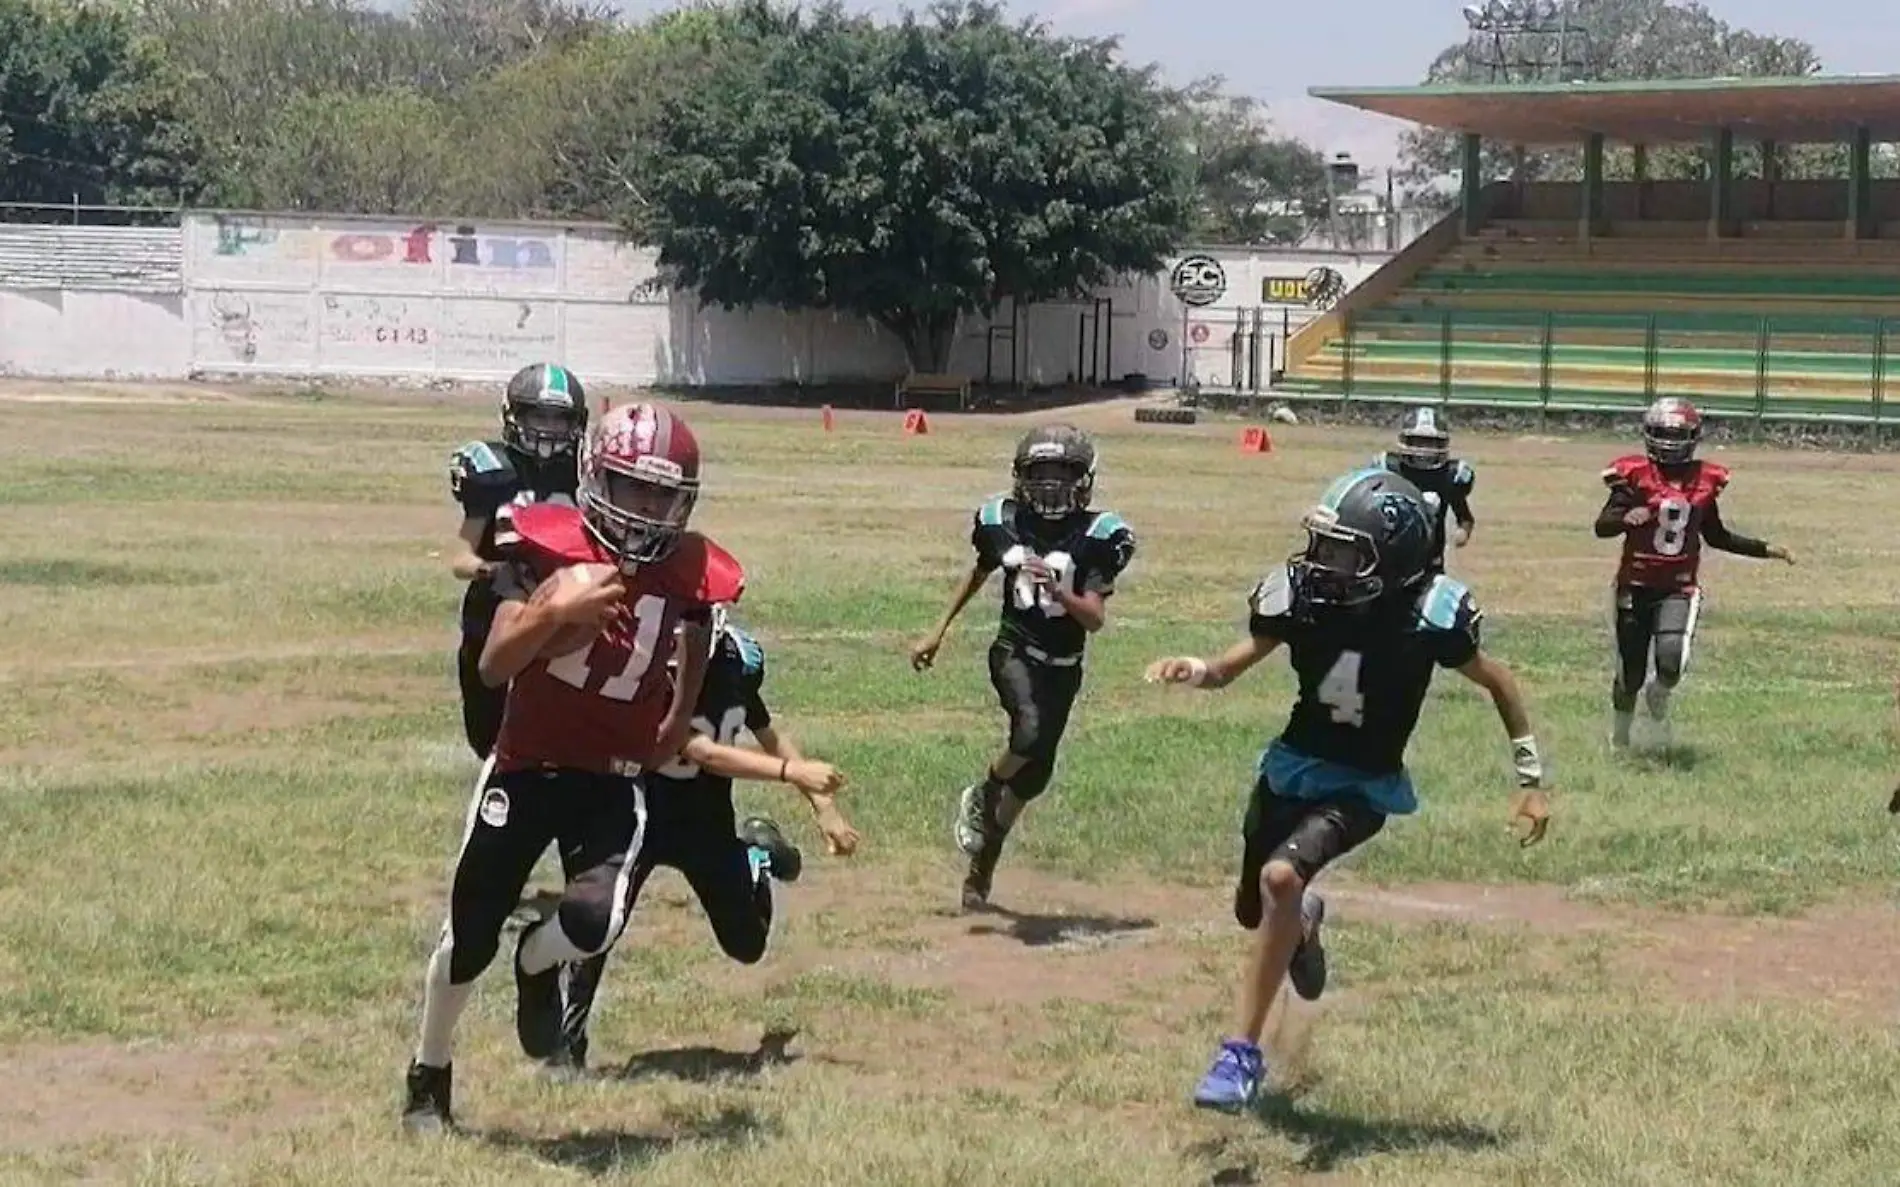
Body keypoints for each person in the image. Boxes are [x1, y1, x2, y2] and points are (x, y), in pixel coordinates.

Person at [1144, 466, 1552, 1112]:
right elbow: (1229, 665)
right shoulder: (1301, 600)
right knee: (1255, 909)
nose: (1321, 563)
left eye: (1342, 551)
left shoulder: (1428, 616)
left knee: (1281, 878)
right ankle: (1301, 924)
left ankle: (1239, 1055)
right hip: (1288, 766)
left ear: (1390, 561)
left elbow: (1498, 681)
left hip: (1363, 785)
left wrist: (1532, 779)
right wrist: (1194, 668)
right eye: (1323, 545)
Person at [402, 401, 744, 1135]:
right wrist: (555, 613)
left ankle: (537, 961)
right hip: (526, 765)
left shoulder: (692, 571)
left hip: (611, 775)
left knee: (594, 922)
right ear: (595, 479)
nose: (648, 508)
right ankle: (430, 1073)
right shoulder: (539, 547)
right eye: (632, 486)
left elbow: (693, 636)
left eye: (663, 492)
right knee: (467, 937)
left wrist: (676, 720)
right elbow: (495, 666)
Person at [548, 610, 862, 1071]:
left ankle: (756, 857)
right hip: (637, 811)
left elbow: (768, 731)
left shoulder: (735, 662)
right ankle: (565, 1046)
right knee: (599, 919)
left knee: (747, 945)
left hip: (705, 821)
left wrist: (824, 807)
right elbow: (699, 751)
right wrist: (792, 773)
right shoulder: (643, 664)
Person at [909, 424, 1136, 911]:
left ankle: (982, 864)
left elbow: (1094, 618)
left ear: (1084, 479)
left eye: (1062, 473)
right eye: (1042, 473)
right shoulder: (1004, 520)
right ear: (1021, 477)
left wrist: (1061, 594)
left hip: (1065, 666)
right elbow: (979, 572)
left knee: (1033, 776)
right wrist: (938, 630)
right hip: (1013, 649)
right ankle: (982, 792)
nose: (1051, 484)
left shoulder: (1098, 535)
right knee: (1028, 734)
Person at [1595, 396, 1793, 748]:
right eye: (1662, 434)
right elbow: (1602, 526)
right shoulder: (1634, 477)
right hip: (1634, 585)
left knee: (1671, 661)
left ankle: (1660, 692)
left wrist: (1765, 549)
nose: (1669, 443)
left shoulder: (1703, 480)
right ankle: (1620, 739)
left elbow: (1716, 535)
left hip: (1678, 588)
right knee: (1630, 672)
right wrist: (1626, 518)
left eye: (1677, 434)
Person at [446, 363, 586, 758]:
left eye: (560, 419)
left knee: (557, 732)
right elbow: (460, 557)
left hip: (560, 617)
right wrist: (494, 570)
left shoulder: (583, 475)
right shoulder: (496, 472)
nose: (548, 428)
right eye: (538, 415)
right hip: (494, 616)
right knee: (490, 736)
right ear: (514, 415)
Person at [1376, 406, 1476, 574]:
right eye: (1419, 442)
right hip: (1389, 559)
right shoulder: (1390, 469)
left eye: (1429, 443)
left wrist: (1463, 531)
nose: (1423, 450)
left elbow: (1464, 516)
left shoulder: (1449, 476)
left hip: (1431, 562)